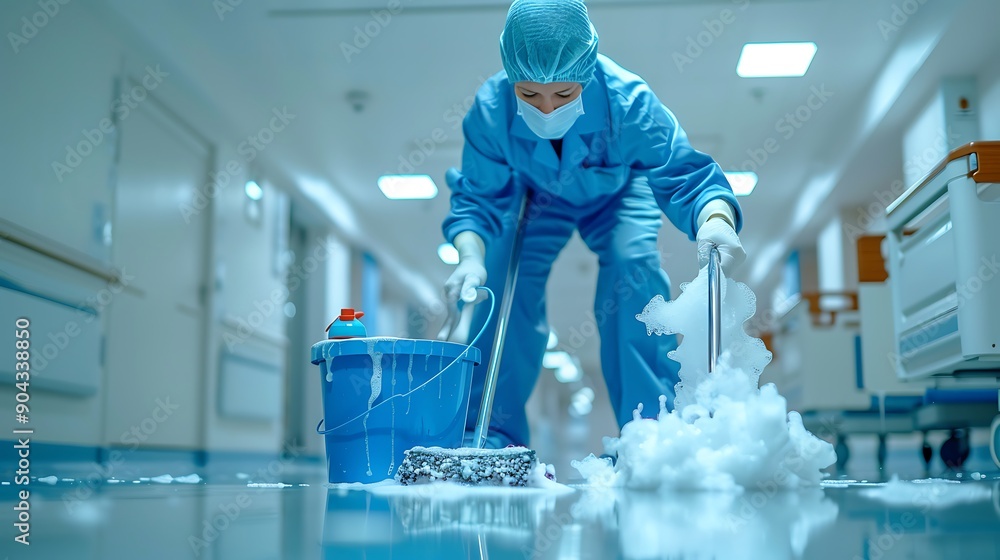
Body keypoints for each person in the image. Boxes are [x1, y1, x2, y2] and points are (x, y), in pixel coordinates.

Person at [440, 0, 745, 448]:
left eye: (564, 94)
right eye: (529, 95)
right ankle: (489, 432)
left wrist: (716, 219)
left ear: (585, 73)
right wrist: (470, 257)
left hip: (618, 193)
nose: (547, 109)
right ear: (510, 77)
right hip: (533, 197)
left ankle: (650, 431)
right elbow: (477, 196)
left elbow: (685, 172)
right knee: (504, 281)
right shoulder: (491, 109)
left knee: (632, 267)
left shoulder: (629, 102)